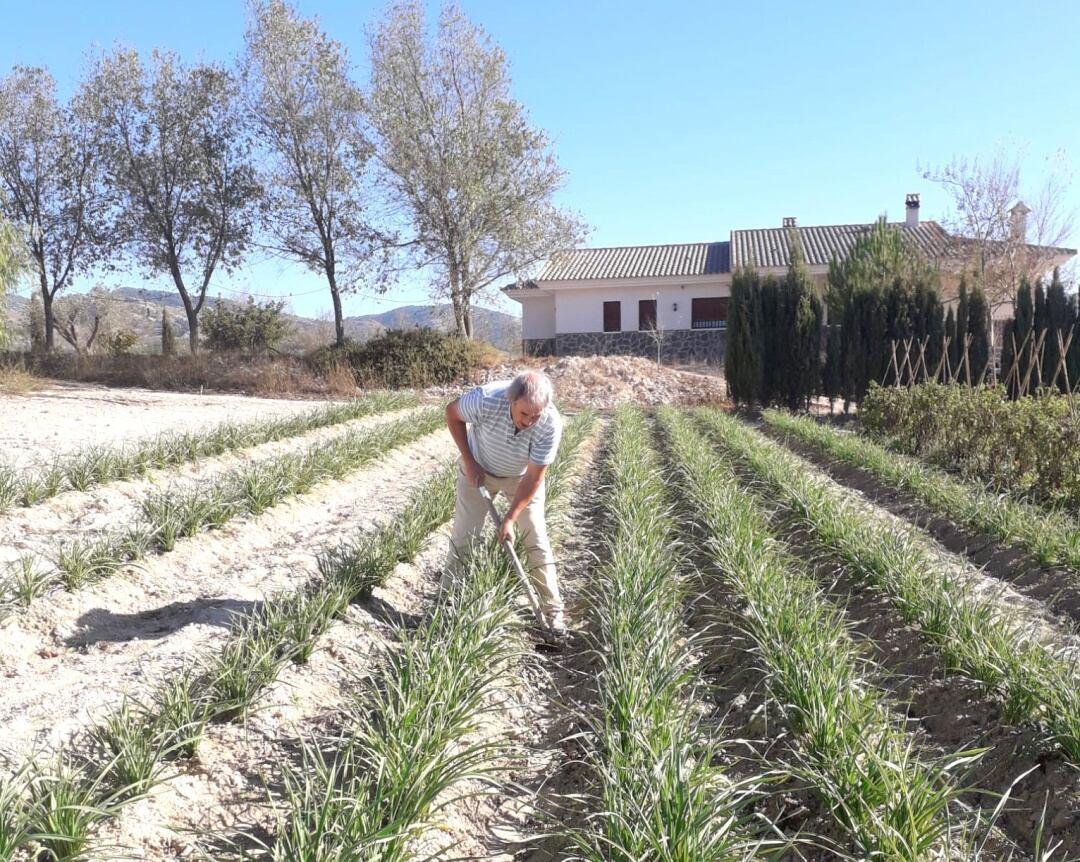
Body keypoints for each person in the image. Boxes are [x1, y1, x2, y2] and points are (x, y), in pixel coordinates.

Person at [443, 370, 565, 632]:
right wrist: (469, 460)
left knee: (535, 537)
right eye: (524, 414)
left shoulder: (550, 423)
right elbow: (451, 414)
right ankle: (447, 604)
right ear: (511, 401)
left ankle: (552, 613)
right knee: (465, 535)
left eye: (536, 415)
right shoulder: (485, 400)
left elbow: (534, 477)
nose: (530, 421)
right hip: (477, 470)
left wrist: (510, 519)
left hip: (520, 480)